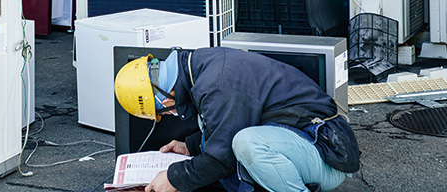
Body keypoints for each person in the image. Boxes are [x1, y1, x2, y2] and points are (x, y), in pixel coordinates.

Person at [114, 48, 360, 192]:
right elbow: (227, 123)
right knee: (220, 134)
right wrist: (191, 146)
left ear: (165, 97)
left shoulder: (217, 86)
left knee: (247, 143)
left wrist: (174, 178)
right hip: (302, 142)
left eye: (164, 112)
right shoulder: (200, 65)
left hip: (327, 154)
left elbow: (223, 158)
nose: (169, 115)